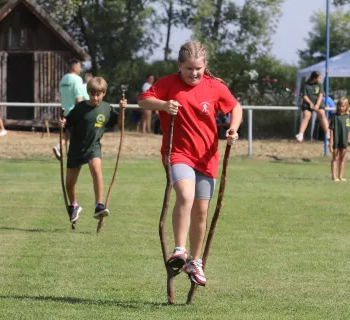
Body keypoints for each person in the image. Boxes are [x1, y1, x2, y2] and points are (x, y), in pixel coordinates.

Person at [138, 41, 242, 287]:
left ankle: (195, 262)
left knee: (202, 211)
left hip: (207, 157)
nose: (194, 74)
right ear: (179, 66)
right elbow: (143, 101)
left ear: (205, 66)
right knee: (185, 195)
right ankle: (180, 250)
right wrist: (163, 105)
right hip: (177, 153)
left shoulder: (215, 86)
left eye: (198, 68)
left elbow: (236, 107)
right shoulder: (166, 83)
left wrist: (233, 128)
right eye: (188, 69)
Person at [59, 77, 126, 222]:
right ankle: (74, 206)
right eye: (92, 94)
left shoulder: (107, 109)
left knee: (96, 169)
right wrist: (62, 122)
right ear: (88, 92)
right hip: (76, 148)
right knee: (69, 183)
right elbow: (67, 122)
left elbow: (120, 124)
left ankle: (99, 205)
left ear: (104, 93)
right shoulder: (80, 108)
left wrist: (121, 110)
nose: (95, 97)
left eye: (99, 94)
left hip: (93, 147)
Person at [53, 59, 85, 160]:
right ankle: (62, 148)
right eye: (79, 67)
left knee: (69, 134)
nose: (80, 69)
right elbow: (78, 97)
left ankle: (61, 147)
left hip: (65, 111)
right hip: (74, 111)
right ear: (74, 67)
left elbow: (62, 94)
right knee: (78, 134)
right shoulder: (77, 79)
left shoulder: (63, 79)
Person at [295, 71, 330, 142]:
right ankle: (301, 134)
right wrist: (310, 103)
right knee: (306, 115)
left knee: (322, 114)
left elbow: (320, 95)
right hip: (308, 103)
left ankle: (327, 133)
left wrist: (317, 105)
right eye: (319, 78)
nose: (320, 79)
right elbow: (304, 96)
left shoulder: (320, 85)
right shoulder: (305, 85)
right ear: (314, 78)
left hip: (318, 103)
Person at [329, 97, 350, 181]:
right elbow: (331, 129)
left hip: (344, 140)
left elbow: (348, 128)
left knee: (342, 158)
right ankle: (334, 177)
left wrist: (348, 138)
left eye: (343, 106)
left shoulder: (348, 117)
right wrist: (331, 141)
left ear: (347, 106)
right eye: (340, 106)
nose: (341, 108)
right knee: (335, 158)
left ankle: (340, 176)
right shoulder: (334, 117)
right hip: (336, 140)